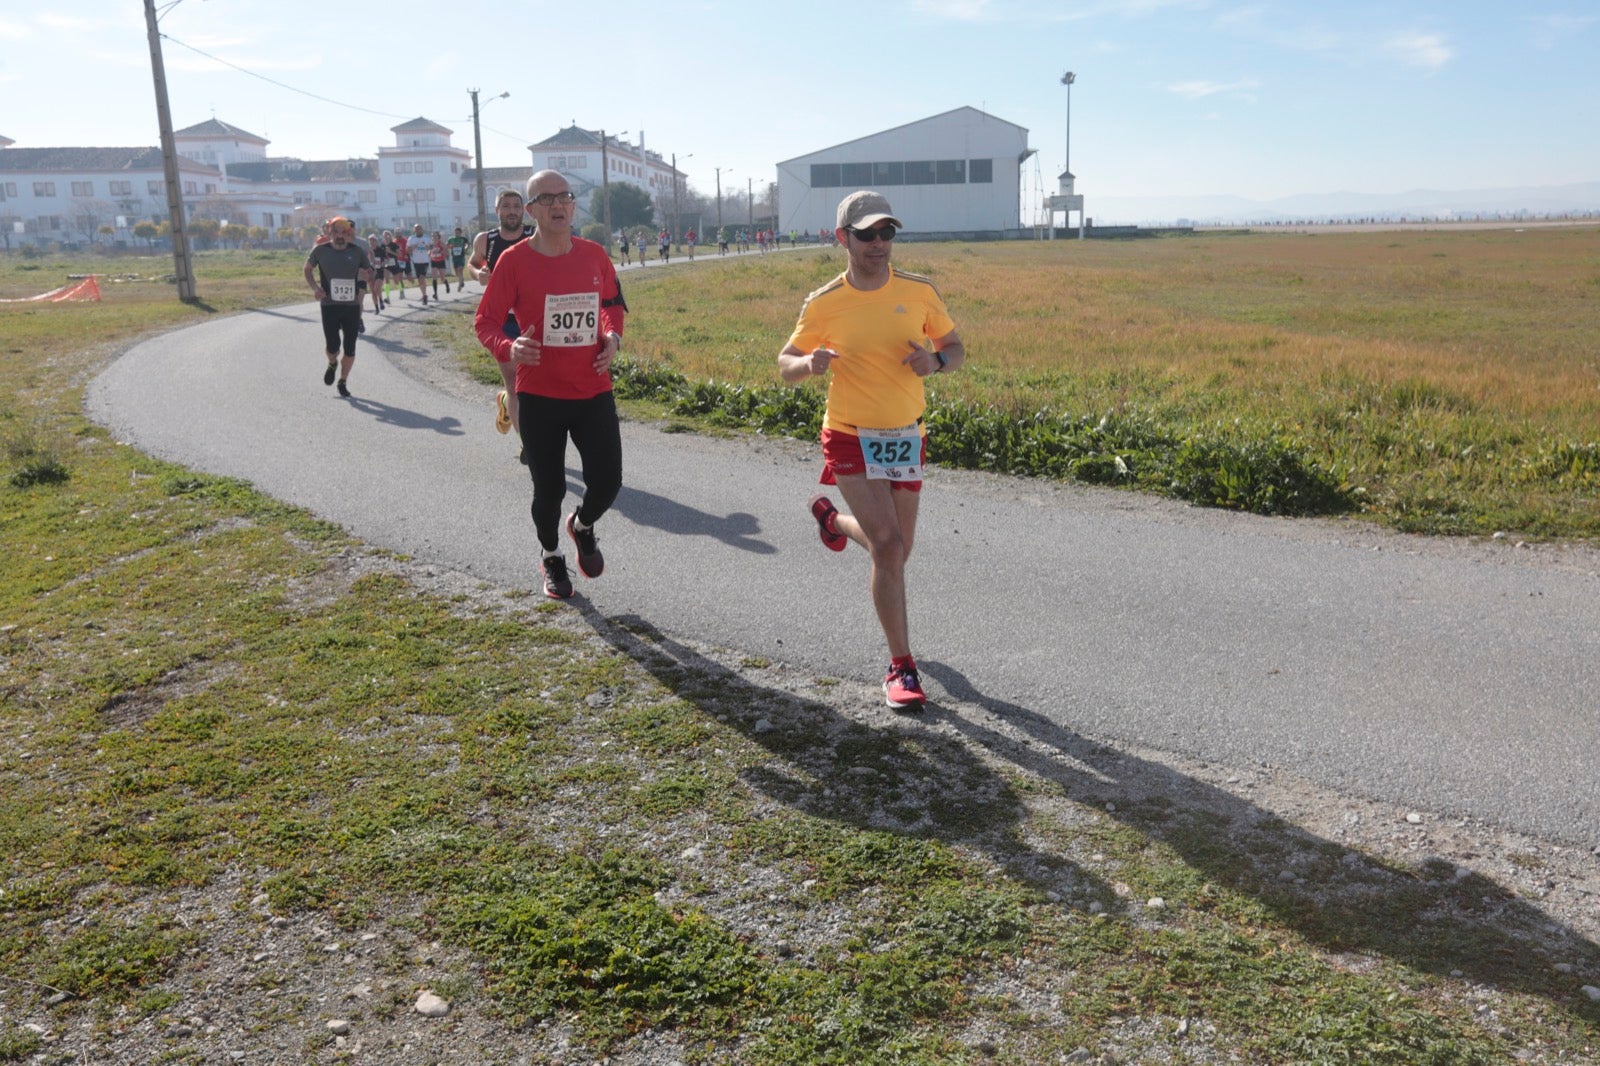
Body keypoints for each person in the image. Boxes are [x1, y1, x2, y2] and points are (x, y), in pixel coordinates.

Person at [777, 191, 965, 711]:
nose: (879, 244)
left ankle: (833, 523)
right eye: (867, 234)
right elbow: (785, 361)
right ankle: (901, 666)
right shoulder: (824, 301)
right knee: (886, 546)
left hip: (906, 433)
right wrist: (807, 365)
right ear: (843, 238)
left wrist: (937, 363)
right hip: (849, 434)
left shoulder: (918, 291)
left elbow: (955, 348)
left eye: (887, 233)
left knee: (900, 549)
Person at [475, 170, 627, 600]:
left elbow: (612, 306)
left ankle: (580, 526)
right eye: (547, 199)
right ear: (530, 211)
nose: (559, 205)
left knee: (608, 482)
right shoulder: (514, 261)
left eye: (566, 197)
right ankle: (551, 555)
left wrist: (613, 337)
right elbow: (484, 321)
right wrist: (509, 346)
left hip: (593, 385)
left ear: (574, 204)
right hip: (540, 393)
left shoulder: (595, 254)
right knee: (550, 488)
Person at [471, 188, 535, 447]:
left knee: (534, 382)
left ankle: (507, 403)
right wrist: (478, 275)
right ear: (497, 211)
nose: (511, 211)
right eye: (505, 206)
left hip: (532, 319)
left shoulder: (535, 236)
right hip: (502, 321)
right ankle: (527, 445)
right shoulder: (486, 240)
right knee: (514, 381)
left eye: (516, 206)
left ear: (524, 210)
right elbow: (473, 262)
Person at [303, 216, 373, 398]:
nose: (340, 235)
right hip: (329, 306)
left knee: (350, 348)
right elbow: (307, 269)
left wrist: (362, 288)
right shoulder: (320, 251)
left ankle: (342, 381)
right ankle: (332, 362)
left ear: (349, 233)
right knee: (333, 347)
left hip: (351, 307)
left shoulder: (357, 252)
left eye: (344, 231)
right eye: (336, 231)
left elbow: (368, 271)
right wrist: (316, 288)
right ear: (329, 232)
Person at [408, 223, 434, 304]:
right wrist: (413, 247)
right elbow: (408, 250)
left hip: (425, 260)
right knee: (419, 279)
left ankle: (425, 295)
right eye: (416, 229)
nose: (418, 230)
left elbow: (432, 246)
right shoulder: (411, 239)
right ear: (414, 230)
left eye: (419, 228)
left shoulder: (427, 238)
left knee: (422, 277)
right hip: (416, 261)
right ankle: (423, 295)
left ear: (422, 229)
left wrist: (428, 249)